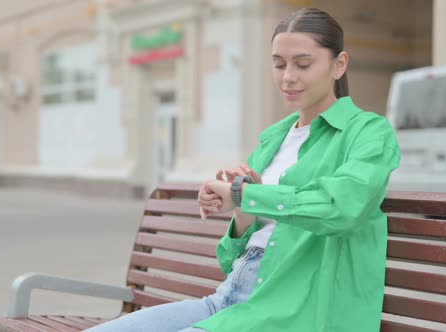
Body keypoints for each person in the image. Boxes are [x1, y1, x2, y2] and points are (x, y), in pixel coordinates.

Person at [84, 7, 400, 332]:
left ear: (339, 65)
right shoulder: (274, 138)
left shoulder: (368, 133)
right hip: (227, 300)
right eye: (279, 64)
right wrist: (241, 210)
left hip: (290, 312)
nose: (287, 76)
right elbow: (229, 260)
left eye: (303, 64)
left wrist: (247, 194)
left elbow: (344, 207)